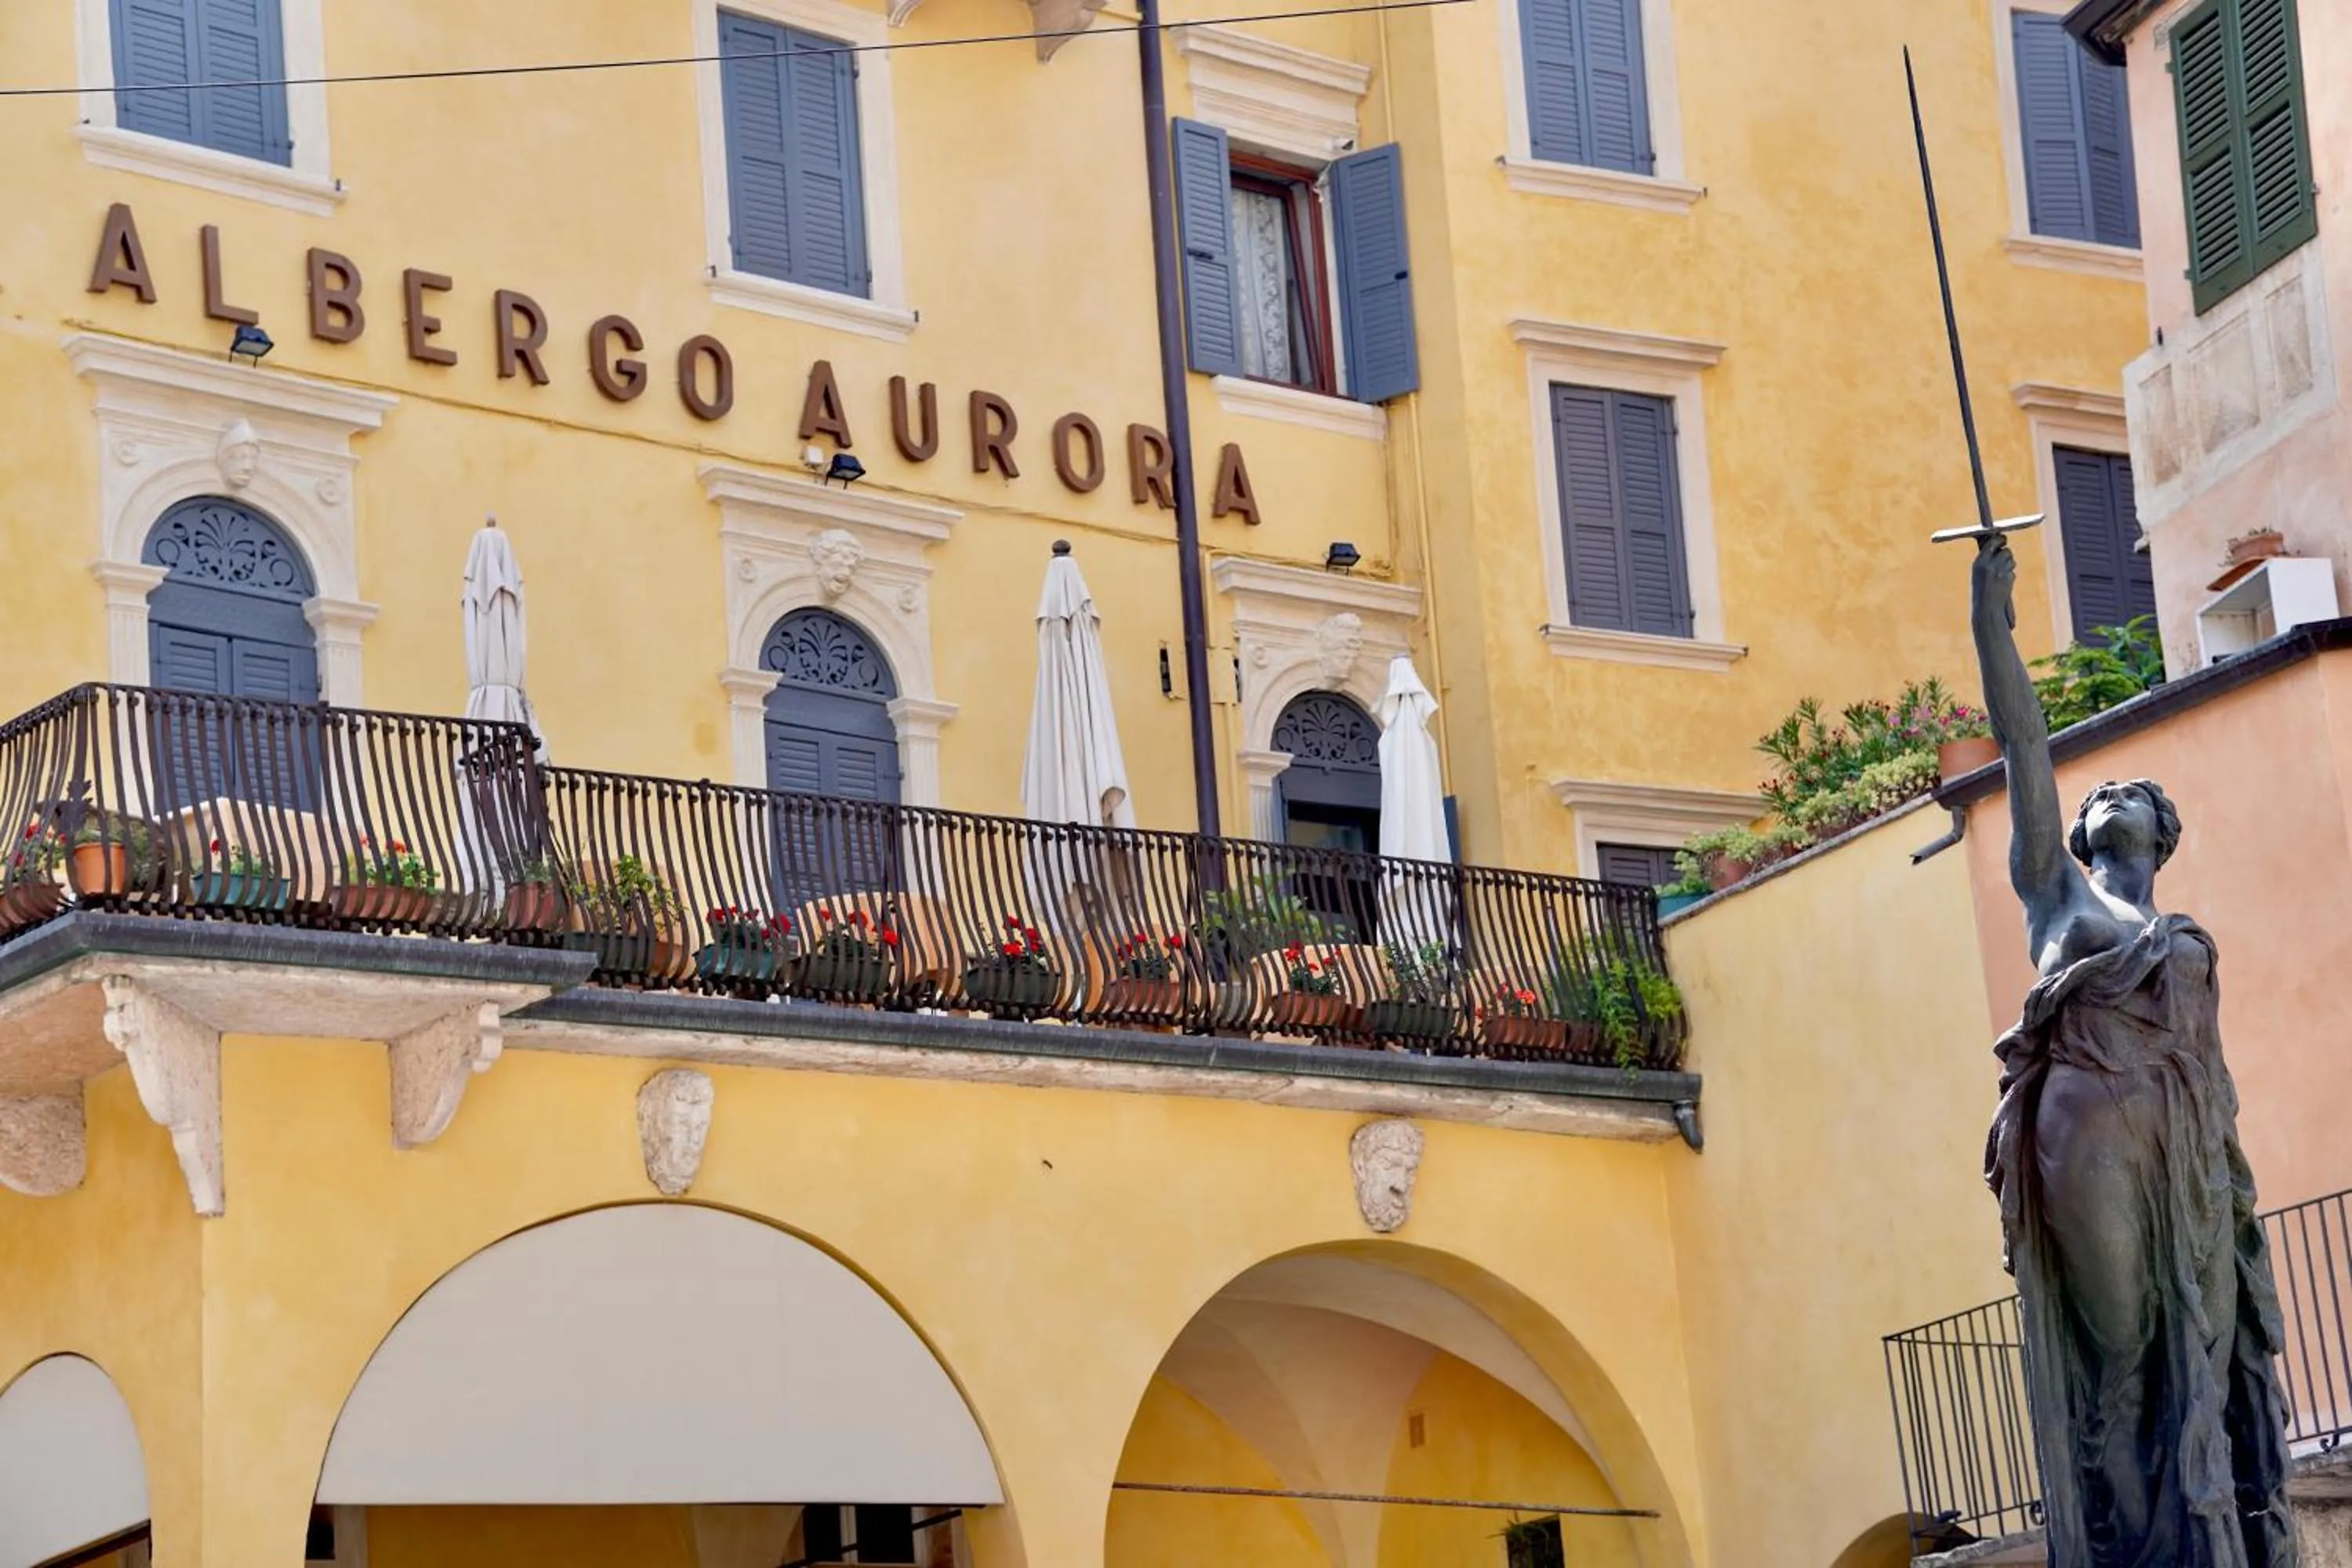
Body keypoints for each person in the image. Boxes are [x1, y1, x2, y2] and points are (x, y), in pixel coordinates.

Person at [1971, 535, 2296, 1566]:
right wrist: (1994, 619)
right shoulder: (2056, 897)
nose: (2112, 797)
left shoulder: (2187, 939)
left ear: (2162, 835)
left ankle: (2206, 1536)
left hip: (2185, 1154)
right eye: (2098, 799)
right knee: (2118, 1347)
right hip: (2088, 1123)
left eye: (2136, 797)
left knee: (2190, 1341)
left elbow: (2217, 1081)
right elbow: (2027, 747)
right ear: (2079, 836)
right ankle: (2135, 1544)